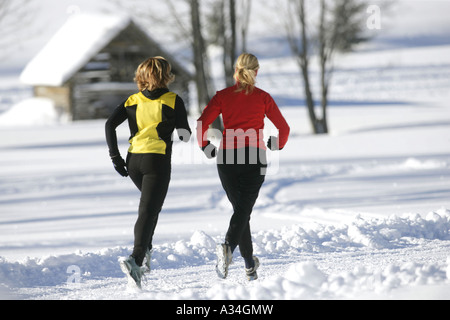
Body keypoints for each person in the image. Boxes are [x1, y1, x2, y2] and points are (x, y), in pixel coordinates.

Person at [197, 53, 290, 281]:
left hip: (227, 159)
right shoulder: (263, 98)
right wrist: (276, 144)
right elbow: (284, 129)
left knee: (241, 211)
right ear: (256, 71)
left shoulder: (222, 96)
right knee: (243, 210)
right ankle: (228, 247)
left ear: (235, 71)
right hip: (254, 159)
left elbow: (202, 124)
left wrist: (206, 146)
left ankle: (249, 264)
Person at [105, 56, 191, 288]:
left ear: (141, 76)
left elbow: (109, 125)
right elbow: (185, 134)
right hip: (157, 161)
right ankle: (136, 259)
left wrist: (116, 157)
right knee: (148, 211)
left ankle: (146, 252)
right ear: (166, 76)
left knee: (151, 208)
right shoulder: (174, 100)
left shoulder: (131, 100)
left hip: (134, 162)